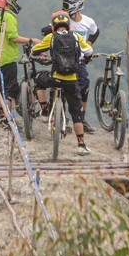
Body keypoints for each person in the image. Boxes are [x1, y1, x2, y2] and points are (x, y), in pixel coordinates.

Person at [31, 10, 94, 156]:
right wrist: (87, 58)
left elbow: (35, 50)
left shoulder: (51, 37)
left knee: (38, 78)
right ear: (68, 25)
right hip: (72, 81)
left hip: (55, 78)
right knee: (76, 114)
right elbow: (89, 51)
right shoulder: (76, 37)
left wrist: (42, 56)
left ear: (53, 26)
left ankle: (45, 110)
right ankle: (81, 145)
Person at [0, 0, 36, 130]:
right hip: (8, 58)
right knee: (11, 90)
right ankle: (7, 119)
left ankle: (2, 116)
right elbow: (13, 37)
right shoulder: (8, 16)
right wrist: (31, 40)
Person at [58, 0, 99, 133]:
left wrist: (88, 43)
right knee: (62, 86)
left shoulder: (88, 22)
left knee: (84, 85)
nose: (63, 7)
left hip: (79, 60)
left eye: (66, 4)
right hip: (62, 59)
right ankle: (61, 117)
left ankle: (81, 117)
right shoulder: (63, 20)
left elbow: (95, 32)